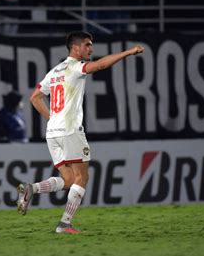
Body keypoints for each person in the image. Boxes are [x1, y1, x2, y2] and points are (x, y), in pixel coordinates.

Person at [16, 31, 144, 234]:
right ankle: (64, 224)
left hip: (52, 133)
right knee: (82, 178)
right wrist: (128, 52)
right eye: (87, 45)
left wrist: (52, 118)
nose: (91, 49)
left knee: (68, 180)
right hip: (70, 130)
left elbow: (34, 97)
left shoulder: (54, 71)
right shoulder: (75, 68)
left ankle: (32, 188)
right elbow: (101, 65)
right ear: (75, 48)